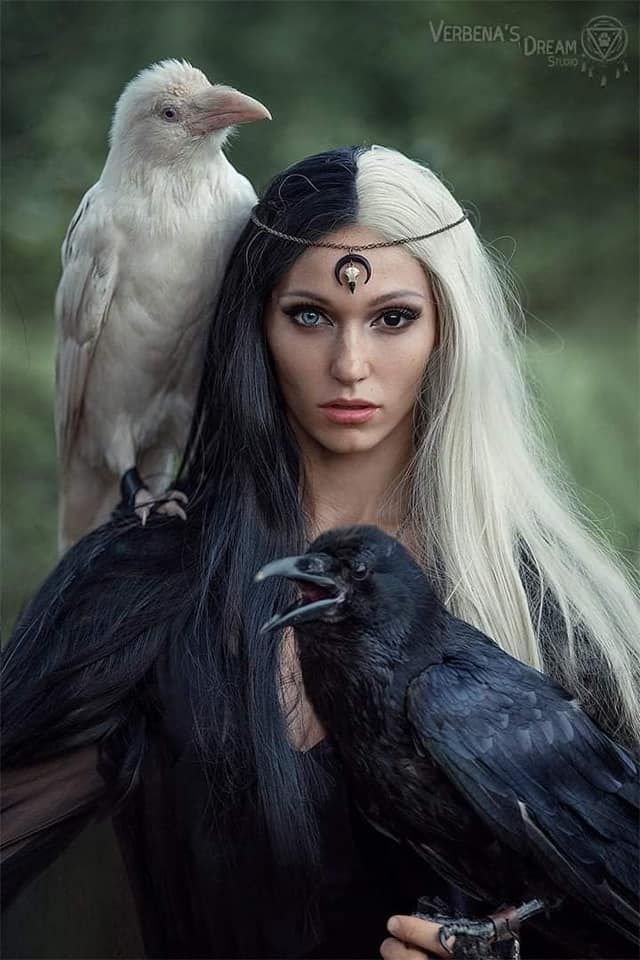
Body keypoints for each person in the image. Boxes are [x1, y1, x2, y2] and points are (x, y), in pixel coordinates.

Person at [2, 144, 639, 960]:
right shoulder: (146, 583)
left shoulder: (558, 618)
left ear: (449, 330)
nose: (349, 365)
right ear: (255, 326)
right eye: (310, 315)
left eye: (392, 318)